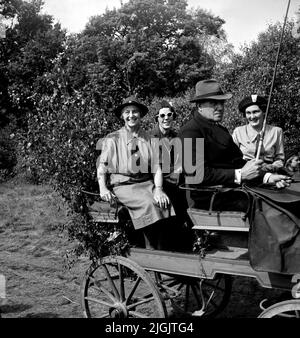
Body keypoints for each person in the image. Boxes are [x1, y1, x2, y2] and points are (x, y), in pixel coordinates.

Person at [178, 79, 291, 210]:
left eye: (221, 102)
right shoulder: (190, 131)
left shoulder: (221, 130)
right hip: (211, 198)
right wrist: (240, 175)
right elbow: (196, 174)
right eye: (214, 103)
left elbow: (239, 163)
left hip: (234, 191)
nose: (220, 107)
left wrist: (268, 177)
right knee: (273, 208)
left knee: (285, 197)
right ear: (199, 106)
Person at [97, 95, 174, 249]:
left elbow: (157, 168)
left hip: (146, 183)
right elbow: (102, 167)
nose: (131, 115)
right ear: (122, 116)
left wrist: (158, 189)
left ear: (140, 115)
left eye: (135, 112)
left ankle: (161, 249)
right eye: (127, 112)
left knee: (164, 202)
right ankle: (148, 250)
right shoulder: (113, 139)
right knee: (149, 204)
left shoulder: (150, 138)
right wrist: (103, 188)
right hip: (124, 185)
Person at [150, 100, 192, 246]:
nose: (166, 118)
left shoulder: (176, 136)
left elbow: (180, 159)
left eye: (169, 115)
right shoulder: (151, 137)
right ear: (157, 118)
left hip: (174, 177)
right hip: (156, 178)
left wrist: (179, 167)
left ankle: (189, 232)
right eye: (162, 116)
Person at [232, 95, 285, 173]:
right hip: (246, 174)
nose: (252, 116)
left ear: (263, 112)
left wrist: (272, 167)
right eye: (248, 113)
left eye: (256, 112)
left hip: (270, 174)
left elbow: (280, 159)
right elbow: (232, 158)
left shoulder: (276, 131)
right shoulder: (238, 132)